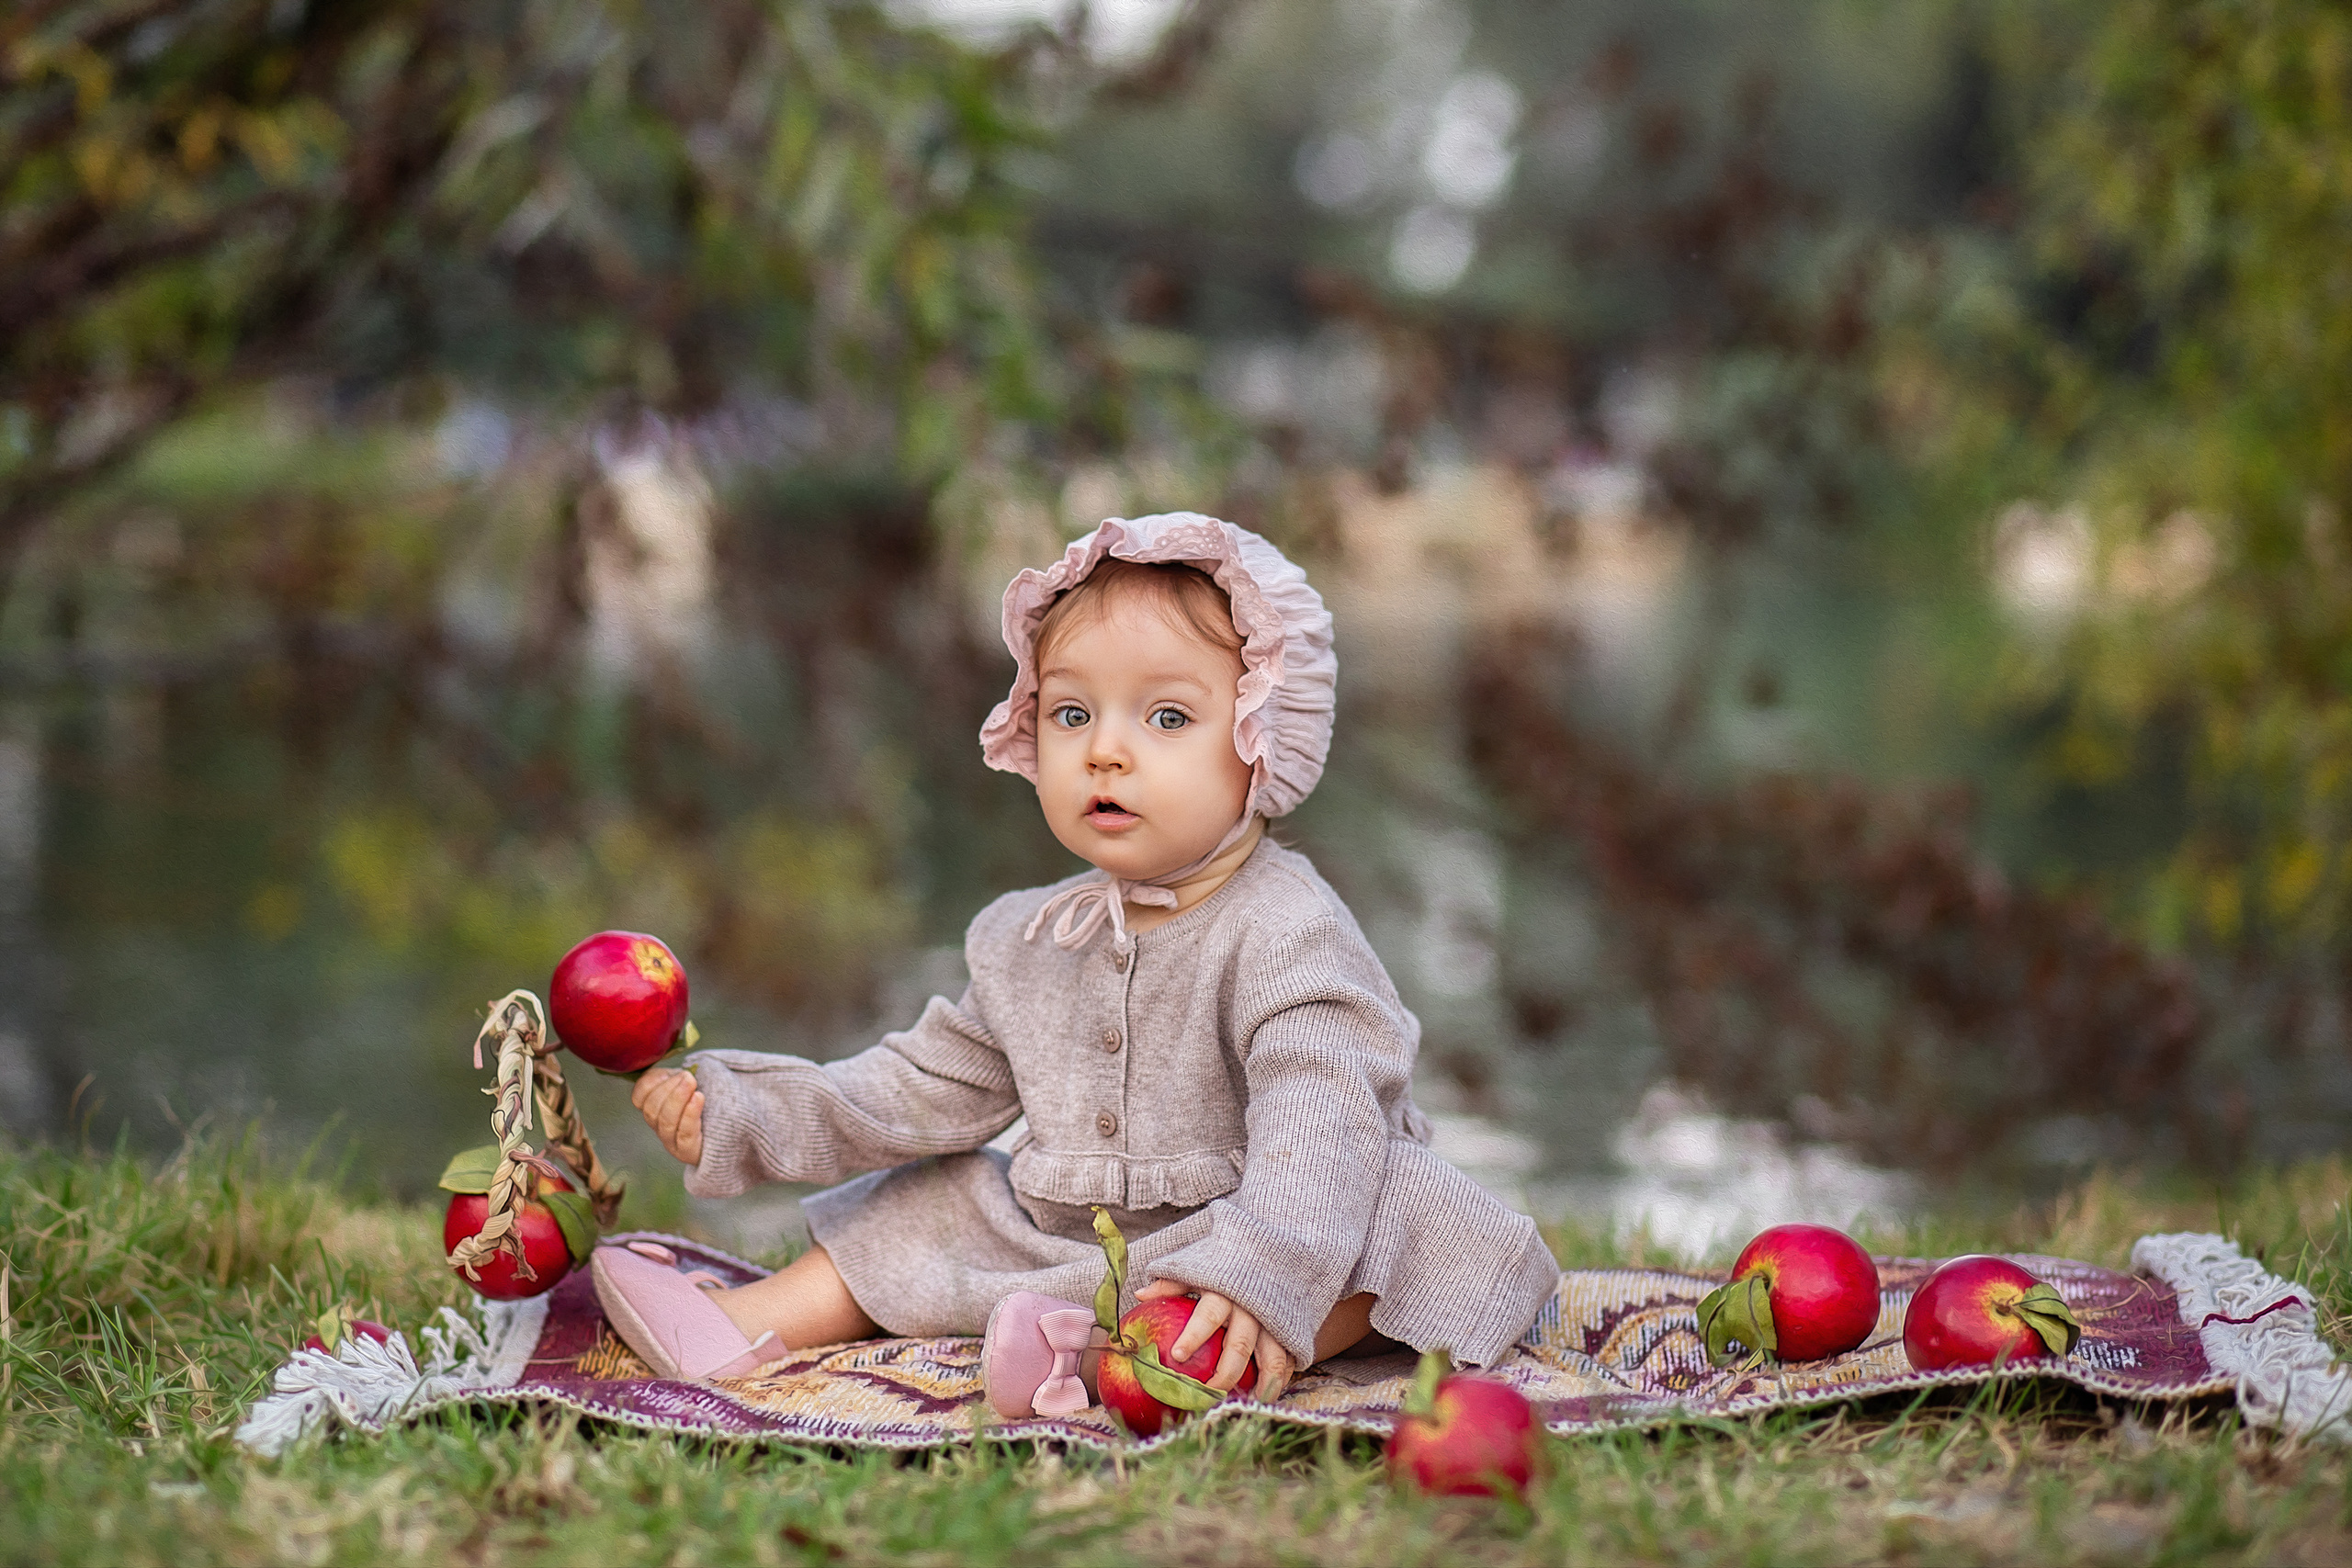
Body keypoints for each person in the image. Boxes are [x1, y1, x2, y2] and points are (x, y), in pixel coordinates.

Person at [591, 512, 1559, 1412]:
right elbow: (916, 1089)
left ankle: (1145, 1358)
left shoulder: (1287, 931)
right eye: (1070, 714)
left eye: (1166, 718)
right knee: (933, 1196)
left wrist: (1261, 1266)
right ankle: (746, 1324)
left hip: (1275, 1226)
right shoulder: (1029, 939)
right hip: (1080, 1235)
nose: (1105, 752)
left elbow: (1321, 1119)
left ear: (1262, 739)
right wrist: (750, 1114)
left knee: (1405, 1214)